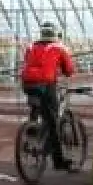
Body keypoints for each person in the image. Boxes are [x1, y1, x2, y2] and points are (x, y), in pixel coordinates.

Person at [19, 21, 78, 172]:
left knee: (37, 107)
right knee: (53, 122)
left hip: (27, 84)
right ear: (55, 34)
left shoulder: (31, 46)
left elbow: (28, 62)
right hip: (46, 85)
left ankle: (32, 130)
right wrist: (62, 69)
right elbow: (69, 70)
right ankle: (59, 162)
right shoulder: (59, 47)